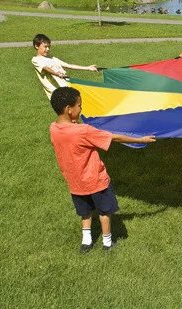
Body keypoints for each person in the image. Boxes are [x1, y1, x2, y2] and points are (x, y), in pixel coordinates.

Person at [49, 87, 156, 253]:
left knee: (85, 213)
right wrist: (140, 139)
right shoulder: (83, 131)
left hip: (75, 183)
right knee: (105, 212)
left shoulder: (54, 129)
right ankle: (107, 242)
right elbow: (113, 137)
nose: (81, 109)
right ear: (69, 110)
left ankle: (86, 242)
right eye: (79, 106)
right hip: (96, 180)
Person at [32, 34, 98, 100]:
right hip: (57, 95)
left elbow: (69, 65)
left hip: (66, 90)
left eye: (49, 46)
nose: (48, 49)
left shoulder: (53, 59)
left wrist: (88, 68)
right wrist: (57, 74)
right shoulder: (36, 60)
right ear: (37, 46)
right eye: (45, 47)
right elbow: (46, 68)